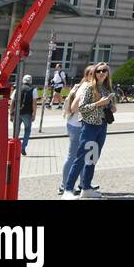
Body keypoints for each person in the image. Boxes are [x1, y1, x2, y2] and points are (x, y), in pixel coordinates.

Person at [62, 62, 115, 199]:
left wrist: (111, 105)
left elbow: (107, 107)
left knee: (93, 158)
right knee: (80, 157)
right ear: (94, 73)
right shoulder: (88, 87)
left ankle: (86, 187)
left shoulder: (105, 88)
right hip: (89, 126)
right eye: (99, 71)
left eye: (104, 70)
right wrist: (100, 103)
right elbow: (82, 107)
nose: (102, 73)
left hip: (102, 126)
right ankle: (68, 189)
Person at [57, 65, 95, 196]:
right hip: (77, 126)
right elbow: (74, 108)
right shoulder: (84, 87)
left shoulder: (85, 86)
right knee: (73, 156)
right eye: (94, 73)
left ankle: (82, 183)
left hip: (77, 124)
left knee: (83, 156)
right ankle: (64, 185)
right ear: (87, 75)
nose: (98, 75)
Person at [16, 75, 36, 156]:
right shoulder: (33, 90)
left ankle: (15, 146)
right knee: (27, 130)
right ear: (30, 81)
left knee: (16, 130)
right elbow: (34, 103)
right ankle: (23, 147)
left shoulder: (18, 88)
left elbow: (13, 101)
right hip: (27, 113)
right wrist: (34, 114)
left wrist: (11, 112)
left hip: (17, 113)